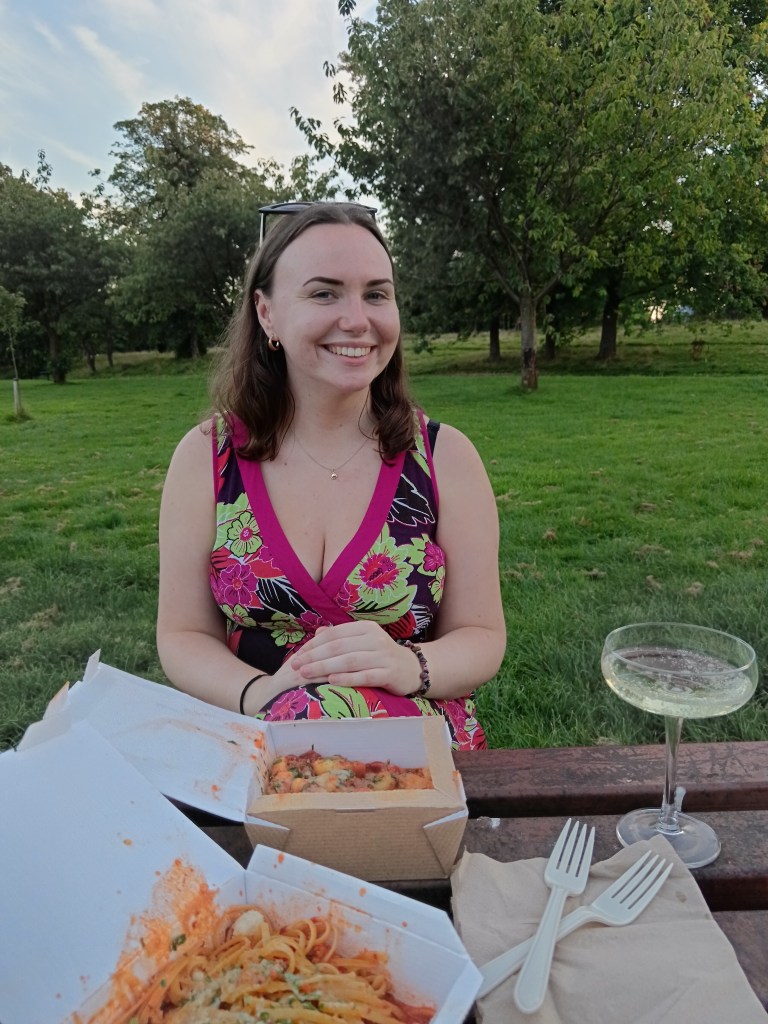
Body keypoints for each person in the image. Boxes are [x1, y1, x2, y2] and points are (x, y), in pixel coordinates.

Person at [157, 202, 505, 750]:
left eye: (377, 294)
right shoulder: (206, 458)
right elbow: (183, 634)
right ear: (267, 313)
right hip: (257, 750)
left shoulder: (446, 458)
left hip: (415, 759)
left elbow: (481, 634)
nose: (357, 320)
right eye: (324, 293)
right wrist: (262, 695)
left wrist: (408, 664)